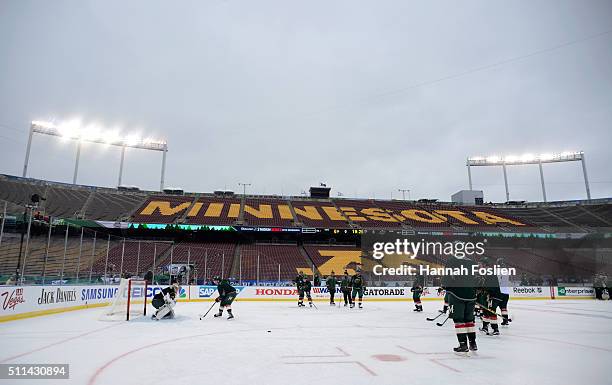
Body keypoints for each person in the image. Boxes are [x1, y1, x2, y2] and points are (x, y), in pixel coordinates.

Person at [442, 255, 478, 353]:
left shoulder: (451, 261)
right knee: (469, 320)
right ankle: (473, 343)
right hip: (471, 295)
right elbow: (477, 278)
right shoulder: (472, 261)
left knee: (459, 320)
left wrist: (446, 287)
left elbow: (447, 278)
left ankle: (463, 344)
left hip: (456, 294)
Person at [479, 257, 502, 335]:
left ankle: (495, 329)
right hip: (487, 294)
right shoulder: (485, 272)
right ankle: (485, 327)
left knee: (492, 312)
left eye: (480, 264)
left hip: (493, 295)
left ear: (484, 264)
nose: (479, 265)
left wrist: (489, 293)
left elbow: (491, 285)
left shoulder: (490, 272)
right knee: (486, 311)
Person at [496, 258, 511, 325]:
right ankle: (505, 320)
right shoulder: (506, 271)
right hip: (506, 292)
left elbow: (498, 280)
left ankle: (489, 321)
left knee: (493, 306)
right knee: (504, 307)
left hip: (500, 291)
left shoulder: (499, 271)